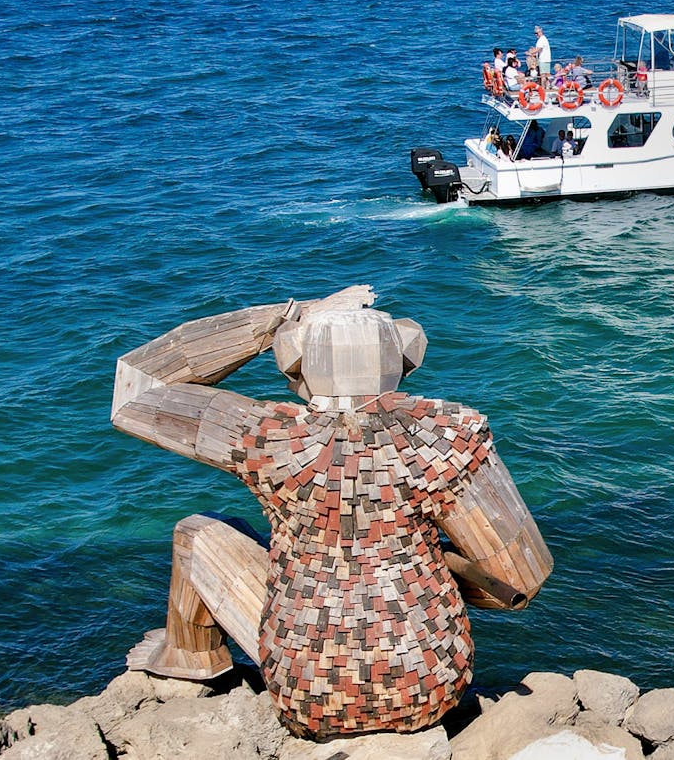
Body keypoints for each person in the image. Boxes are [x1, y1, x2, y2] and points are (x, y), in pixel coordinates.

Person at [111, 288, 552, 739]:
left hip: (308, 691)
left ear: (296, 366)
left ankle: (191, 659)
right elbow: (519, 578)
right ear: (404, 359)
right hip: (428, 682)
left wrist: (285, 316)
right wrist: (429, 580)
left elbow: (135, 389)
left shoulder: (264, 437)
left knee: (199, 531)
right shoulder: (450, 438)